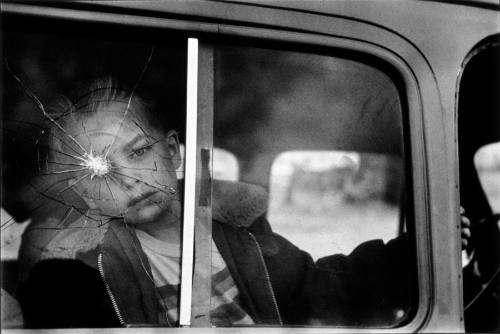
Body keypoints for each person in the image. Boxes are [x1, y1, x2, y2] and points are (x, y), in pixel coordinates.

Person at [15, 78, 470, 328]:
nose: (131, 180)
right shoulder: (75, 276)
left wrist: (418, 255)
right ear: (84, 190)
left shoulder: (241, 235)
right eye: (100, 170)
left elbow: (327, 288)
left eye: (137, 152)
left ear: (172, 152)